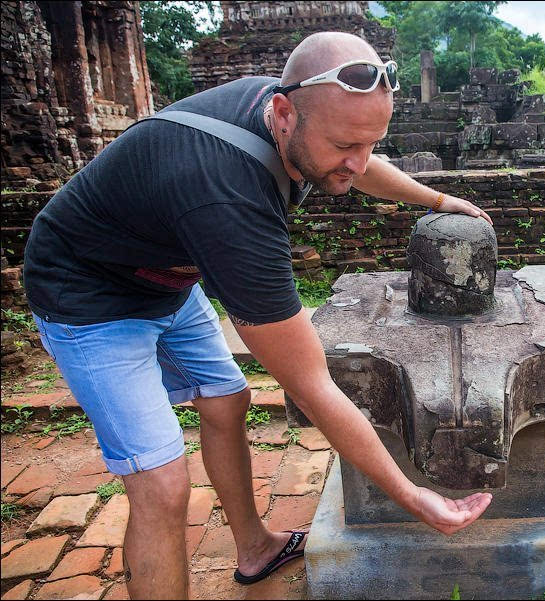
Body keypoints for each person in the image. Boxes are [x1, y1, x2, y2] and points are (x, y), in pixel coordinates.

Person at [23, 31, 493, 599]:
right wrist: (412, 495)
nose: (358, 161)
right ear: (283, 114)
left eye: (371, 141)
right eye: (345, 143)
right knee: (161, 486)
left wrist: (441, 202)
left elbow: (363, 164)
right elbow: (310, 383)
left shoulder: (291, 107)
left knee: (226, 398)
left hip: (165, 274)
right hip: (87, 292)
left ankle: (256, 547)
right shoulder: (229, 201)